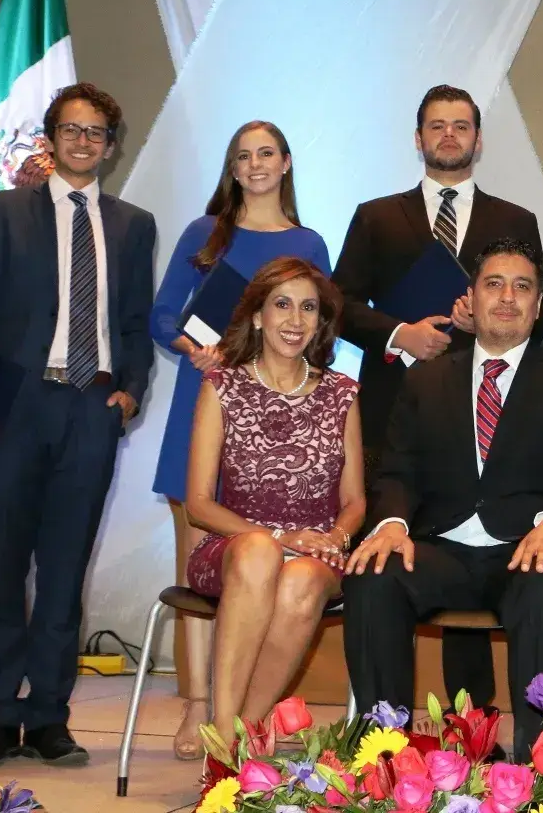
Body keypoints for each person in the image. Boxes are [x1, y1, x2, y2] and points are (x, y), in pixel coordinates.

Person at [0, 83, 157, 766]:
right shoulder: (4, 212)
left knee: (64, 573)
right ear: (51, 138)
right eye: (71, 129)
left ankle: (49, 719)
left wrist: (130, 392)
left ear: (111, 147)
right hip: (12, 409)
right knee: (3, 568)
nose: (83, 142)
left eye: (96, 133)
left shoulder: (134, 225)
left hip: (91, 409)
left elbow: (135, 323)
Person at [343, 238, 543, 758]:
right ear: (471, 297)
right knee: (373, 574)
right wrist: (392, 523)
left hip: (527, 548)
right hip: (441, 548)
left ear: (539, 305)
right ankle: (384, 758)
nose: (507, 297)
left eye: (522, 287)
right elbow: (398, 473)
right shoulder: (425, 380)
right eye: (494, 284)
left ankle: (542, 763)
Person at [332, 84, 543, 712]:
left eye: (461, 126)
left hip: (487, 408)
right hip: (394, 411)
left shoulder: (515, 220)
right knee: (397, 552)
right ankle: (385, 723)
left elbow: (540, 314)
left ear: (478, 140)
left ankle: (470, 719)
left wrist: (486, 323)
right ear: (418, 138)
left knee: (471, 539)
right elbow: (338, 303)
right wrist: (400, 333)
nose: (449, 135)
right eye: (437, 125)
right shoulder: (377, 216)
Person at [150, 120, 331, 758]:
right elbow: (162, 315)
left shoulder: (308, 242)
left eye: (266, 153)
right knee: (198, 568)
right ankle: (198, 707)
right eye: (243, 156)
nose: (255, 165)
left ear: (286, 163)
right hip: (201, 401)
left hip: (274, 423)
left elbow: (321, 327)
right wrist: (192, 348)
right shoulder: (205, 233)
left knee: (264, 568)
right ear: (232, 168)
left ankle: (246, 712)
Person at [183, 258, 363, 749]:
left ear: (320, 321)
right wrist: (279, 537)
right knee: (260, 550)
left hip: (317, 552)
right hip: (232, 545)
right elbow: (198, 503)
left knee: (302, 577)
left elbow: (354, 501)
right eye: (282, 304)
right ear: (258, 316)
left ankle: (242, 735)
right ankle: (222, 731)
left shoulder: (343, 393)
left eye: (308, 308)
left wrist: (334, 538)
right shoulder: (221, 387)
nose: (295, 320)